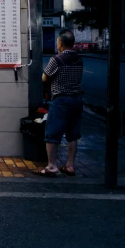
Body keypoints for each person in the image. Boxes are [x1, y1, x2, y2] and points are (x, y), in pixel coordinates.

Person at [34, 29, 84, 177]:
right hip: (77, 99)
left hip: (61, 99)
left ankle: (51, 166)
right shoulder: (79, 59)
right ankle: (70, 166)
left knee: (52, 133)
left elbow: (45, 77)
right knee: (72, 134)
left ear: (61, 43)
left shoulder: (57, 59)